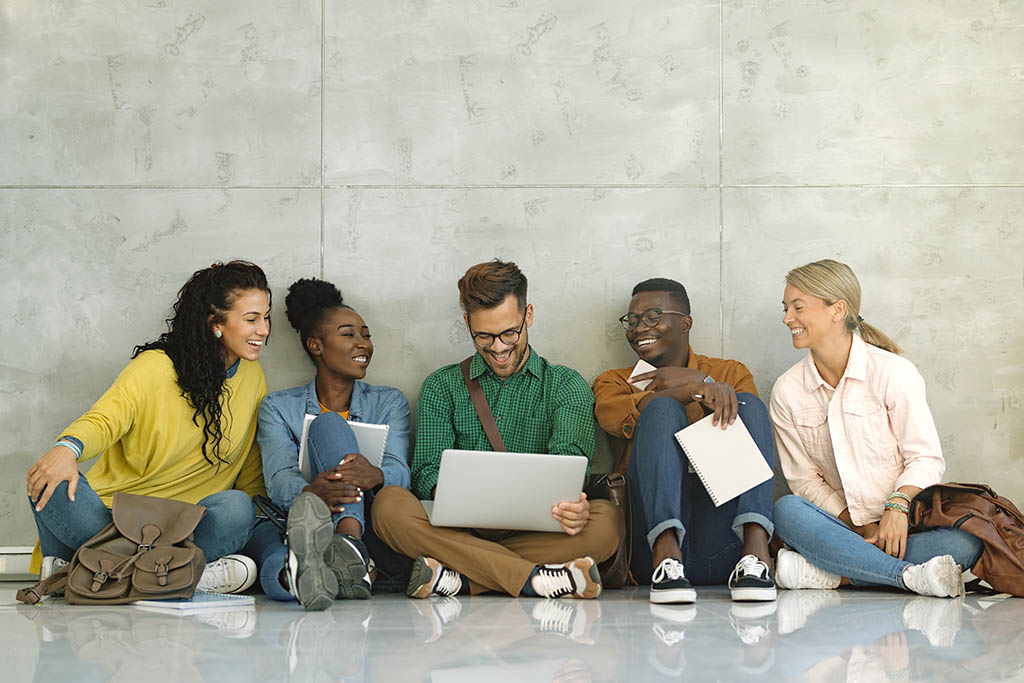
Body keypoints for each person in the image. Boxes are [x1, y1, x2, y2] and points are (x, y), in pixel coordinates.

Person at [371, 259, 623, 599]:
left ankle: (462, 579)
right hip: (458, 530)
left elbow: (569, 469)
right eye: (484, 336)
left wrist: (572, 508)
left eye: (509, 333)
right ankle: (537, 579)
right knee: (388, 505)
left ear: (528, 315)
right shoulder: (441, 386)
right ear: (467, 324)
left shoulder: (566, 385)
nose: (499, 348)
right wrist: (468, 495)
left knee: (606, 522)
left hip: (532, 531)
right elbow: (426, 474)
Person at [25, 260, 272, 594]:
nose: (264, 330)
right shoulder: (155, 367)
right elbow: (105, 418)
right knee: (48, 480)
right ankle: (180, 576)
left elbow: (250, 467)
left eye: (266, 317)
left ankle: (90, 574)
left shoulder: (253, 378)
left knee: (237, 507)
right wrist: (68, 448)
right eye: (252, 319)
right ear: (216, 323)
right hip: (109, 523)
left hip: (184, 528)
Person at [770, 259, 983, 597]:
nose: (787, 319)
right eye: (785, 309)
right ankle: (909, 577)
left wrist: (896, 507)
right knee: (786, 511)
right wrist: (859, 527)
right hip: (839, 527)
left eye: (798, 307)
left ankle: (836, 574)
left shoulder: (892, 372)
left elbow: (925, 458)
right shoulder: (787, 390)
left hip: (906, 526)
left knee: (967, 543)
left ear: (837, 309)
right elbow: (803, 479)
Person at [593, 278, 777, 604]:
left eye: (652, 317)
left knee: (748, 405)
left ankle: (756, 556)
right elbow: (613, 417)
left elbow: (753, 433)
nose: (638, 328)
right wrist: (693, 389)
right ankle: (667, 554)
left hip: (723, 540)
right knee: (661, 408)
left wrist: (705, 382)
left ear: (685, 323)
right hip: (648, 549)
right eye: (632, 320)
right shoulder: (615, 381)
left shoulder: (728, 372)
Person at [249, 278, 412, 610]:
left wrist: (376, 475)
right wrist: (311, 492)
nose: (363, 344)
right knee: (275, 565)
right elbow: (278, 480)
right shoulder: (278, 407)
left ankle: (348, 543)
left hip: (369, 525)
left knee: (330, 426)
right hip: (296, 523)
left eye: (366, 335)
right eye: (349, 335)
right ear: (316, 346)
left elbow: (401, 472)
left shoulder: (389, 402)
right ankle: (338, 565)